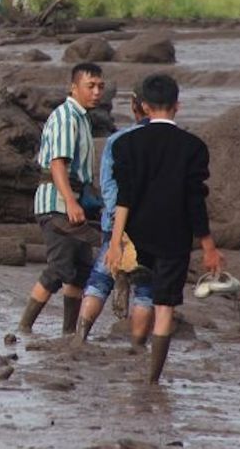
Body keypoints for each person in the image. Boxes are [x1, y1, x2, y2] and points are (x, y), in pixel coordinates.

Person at [106, 74, 224, 384]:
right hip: (174, 238)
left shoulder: (126, 144)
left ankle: (134, 340)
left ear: (143, 106)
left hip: (136, 235)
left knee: (143, 293)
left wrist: (115, 241)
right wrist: (209, 246)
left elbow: (124, 197)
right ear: (177, 106)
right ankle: (152, 379)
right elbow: (195, 201)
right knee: (165, 307)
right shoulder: (193, 147)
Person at [17, 63, 105, 335]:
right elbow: (58, 164)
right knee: (59, 268)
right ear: (74, 87)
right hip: (57, 204)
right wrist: (70, 201)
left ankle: (69, 332)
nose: (97, 92)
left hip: (70, 201)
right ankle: (24, 327)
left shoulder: (81, 118)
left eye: (100, 86)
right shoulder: (67, 117)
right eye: (90, 86)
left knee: (80, 269)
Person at [73, 89, 152, 348]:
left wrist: (115, 217)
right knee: (145, 289)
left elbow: (107, 186)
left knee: (99, 280)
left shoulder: (118, 140)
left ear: (134, 106)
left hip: (115, 223)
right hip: (151, 227)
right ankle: (137, 347)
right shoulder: (171, 141)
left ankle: (80, 338)